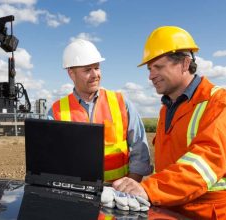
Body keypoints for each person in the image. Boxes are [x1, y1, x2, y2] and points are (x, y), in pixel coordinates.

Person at [112, 26, 226, 219]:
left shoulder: (220, 102)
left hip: (209, 212)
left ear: (184, 63)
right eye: (149, 69)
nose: (150, 75)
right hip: (168, 210)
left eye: (158, 67)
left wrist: (150, 189)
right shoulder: (166, 109)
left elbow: (206, 162)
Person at [48, 39, 153, 182]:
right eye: (87, 70)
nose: (95, 74)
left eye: (97, 68)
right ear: (71, 74)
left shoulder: (121, 102)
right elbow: (50, 157)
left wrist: (131, 184)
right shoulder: (56, 111)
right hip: (76, 194)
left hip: (118, 194)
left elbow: (139, 147)